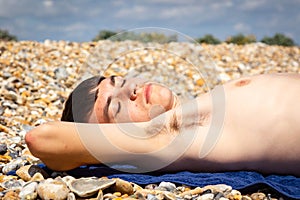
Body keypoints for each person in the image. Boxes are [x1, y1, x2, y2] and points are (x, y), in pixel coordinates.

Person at [25, 73, 300, 176]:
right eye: (117, 106)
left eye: (119, 81)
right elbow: (43, 139)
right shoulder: (168, 136)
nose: (131, 89)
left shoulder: (197, 110)